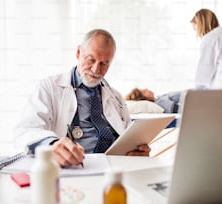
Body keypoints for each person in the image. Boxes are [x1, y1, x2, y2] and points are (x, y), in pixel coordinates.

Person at [14, 29, 151, 167]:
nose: (96, 70)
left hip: (114, 169)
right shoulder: (49, 87)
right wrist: (53, 144)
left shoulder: (116, 98)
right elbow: (26, 130)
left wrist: (137, 153)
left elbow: (127, 138)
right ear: (79, 53)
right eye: (91, 60)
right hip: (73, 168)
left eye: (104, 64)